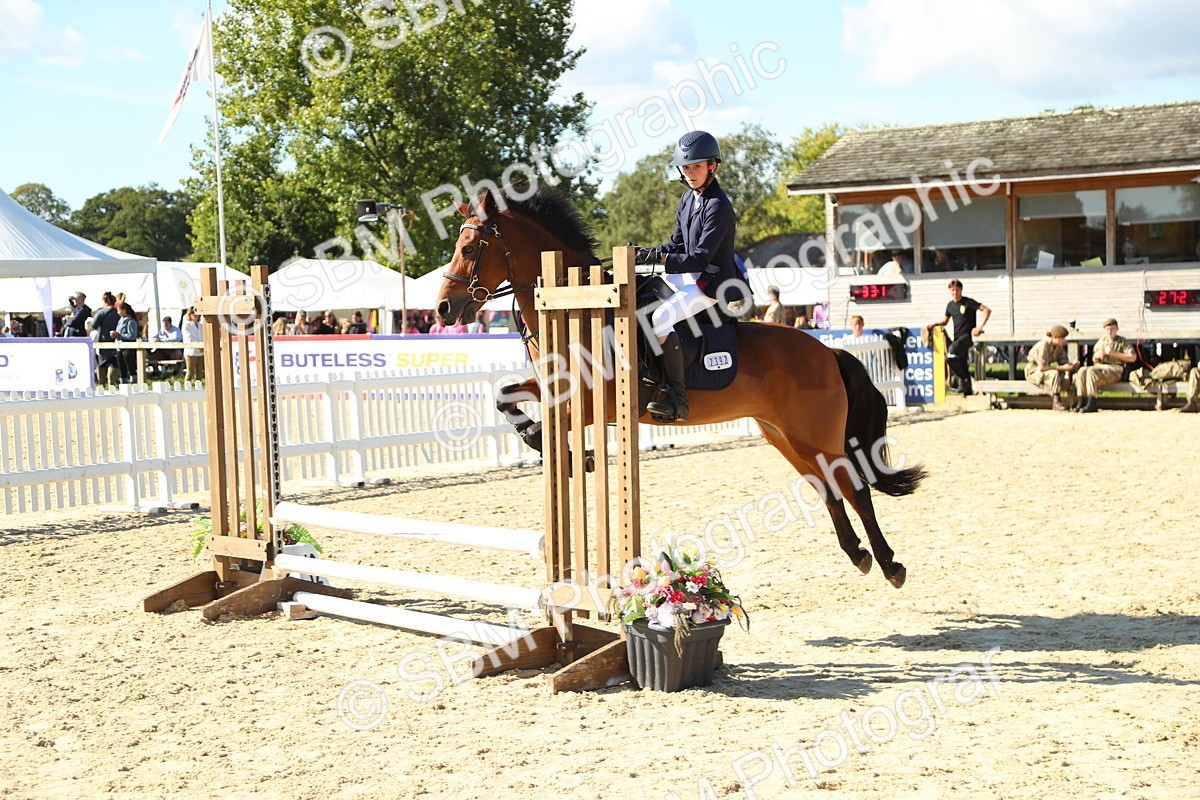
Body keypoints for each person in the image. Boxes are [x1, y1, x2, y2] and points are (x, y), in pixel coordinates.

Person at [633, 130, 748, 423]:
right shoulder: (687, 199)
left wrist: (658, 259)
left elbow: (699, 257)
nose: (690, 173)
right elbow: (675, 245)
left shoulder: (719, 205)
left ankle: (678, 399)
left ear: (712, 166)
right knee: (644, 296)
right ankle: (651, 374)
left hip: (711, 283)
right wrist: (645, 253)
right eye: (686, 167)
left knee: (661, 318)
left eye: (696, 166)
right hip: (687, 276)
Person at [926, 279, 990, 397]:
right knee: (961, 363)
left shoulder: (968, 302)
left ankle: (965, 379)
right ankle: (967, 390)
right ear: (950, 291)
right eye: (953, 291)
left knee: (950, 355)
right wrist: (935, 324)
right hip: (957, 337)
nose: (955, 293)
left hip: (967, 337)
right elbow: (945, 321)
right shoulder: (950, 305)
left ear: (961, 290)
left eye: (957, 290)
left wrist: (979, 327)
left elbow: (987, 310)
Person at [1071, 318, 1137, 413]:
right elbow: (1094, 359)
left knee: (1091, 372)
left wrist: (1114, 353)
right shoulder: (1102, 341)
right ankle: (1081, 400)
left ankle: (1092, 402)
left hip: (1115, 369)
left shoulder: (1122, 342)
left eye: (1112, 329)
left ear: (1117, 329)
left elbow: (1132, 357)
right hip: (1100, 367)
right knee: (1082, 371)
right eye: (1107, 329)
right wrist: (1097, 356)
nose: (1109, 332)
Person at [1024, 324, 1077, 410]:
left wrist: (1071, 366)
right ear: (1055, 337)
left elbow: (1063, 360)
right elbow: (1043, 367)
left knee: (1067, 373)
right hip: (1034, 371)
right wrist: (1062, 368)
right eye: (1062, 338)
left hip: (1045, 371)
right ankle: (1056, 402)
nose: (1064, 340)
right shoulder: (1043, 345)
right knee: (1054, 373)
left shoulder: (1058, 347)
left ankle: (1073, 400)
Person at [92, 292, 121, 387]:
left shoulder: (101, 312)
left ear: (105, 301)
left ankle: (101, 384)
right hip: (116, 342)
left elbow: (93, 325)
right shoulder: (118, 312)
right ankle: (112, 383)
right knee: (114, 362)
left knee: (102, 363)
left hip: (103, 342)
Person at [113, 302, 140, 383]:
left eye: (119, 310)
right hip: (119, 347)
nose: (117, 312)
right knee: (122, 369)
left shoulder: (131, 321)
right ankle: (123, 385)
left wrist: (119, 335)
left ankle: (134, 384)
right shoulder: (120, 320)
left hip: (128, 348)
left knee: (131, 368)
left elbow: (132, 336)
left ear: (124, 310)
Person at [183, 307, 204, 383]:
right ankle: (186, 386)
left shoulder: (201, 325)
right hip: (191, 352)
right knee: (190, 372)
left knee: (199, 373)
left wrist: (202, 346)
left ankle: (199, 387)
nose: (195, 315)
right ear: (189, 314)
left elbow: (203, 337)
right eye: (193, 313)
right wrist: (197, 346)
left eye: (196, 313)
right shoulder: (187, 325)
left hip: (201, 352)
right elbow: (188, 338)